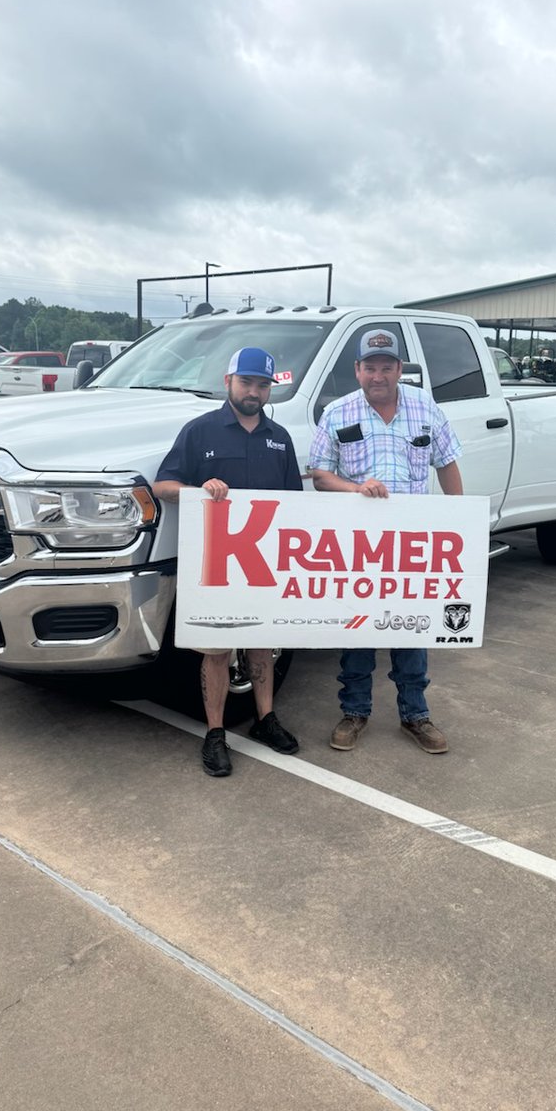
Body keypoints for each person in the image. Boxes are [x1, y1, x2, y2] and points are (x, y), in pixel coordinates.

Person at [307, 329, 464, 755]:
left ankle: (416, 714)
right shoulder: (337, 413)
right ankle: (354, 711)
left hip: (412, 544)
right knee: (357, 627)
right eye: (370, 367)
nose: (379, 375)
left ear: (399, 369)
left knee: (412, 626)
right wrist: (354, 489)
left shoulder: (425, 408)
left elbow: (447, 462)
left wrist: (458, 519)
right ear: (357, 370)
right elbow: (320, 475)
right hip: (357, 545)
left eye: (387, 367)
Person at [152, 346, 303, 777]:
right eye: (246, 382)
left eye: (262, 385)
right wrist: (199, 491)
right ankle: (215, 732)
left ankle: (265, 719)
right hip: (216, 565)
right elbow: (163, 484)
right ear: (228, 383)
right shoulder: (200, 431)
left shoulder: (280, 439)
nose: (254, 392)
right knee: (217, 651)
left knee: (261, 643)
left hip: (263, 563)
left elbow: (294, 503)